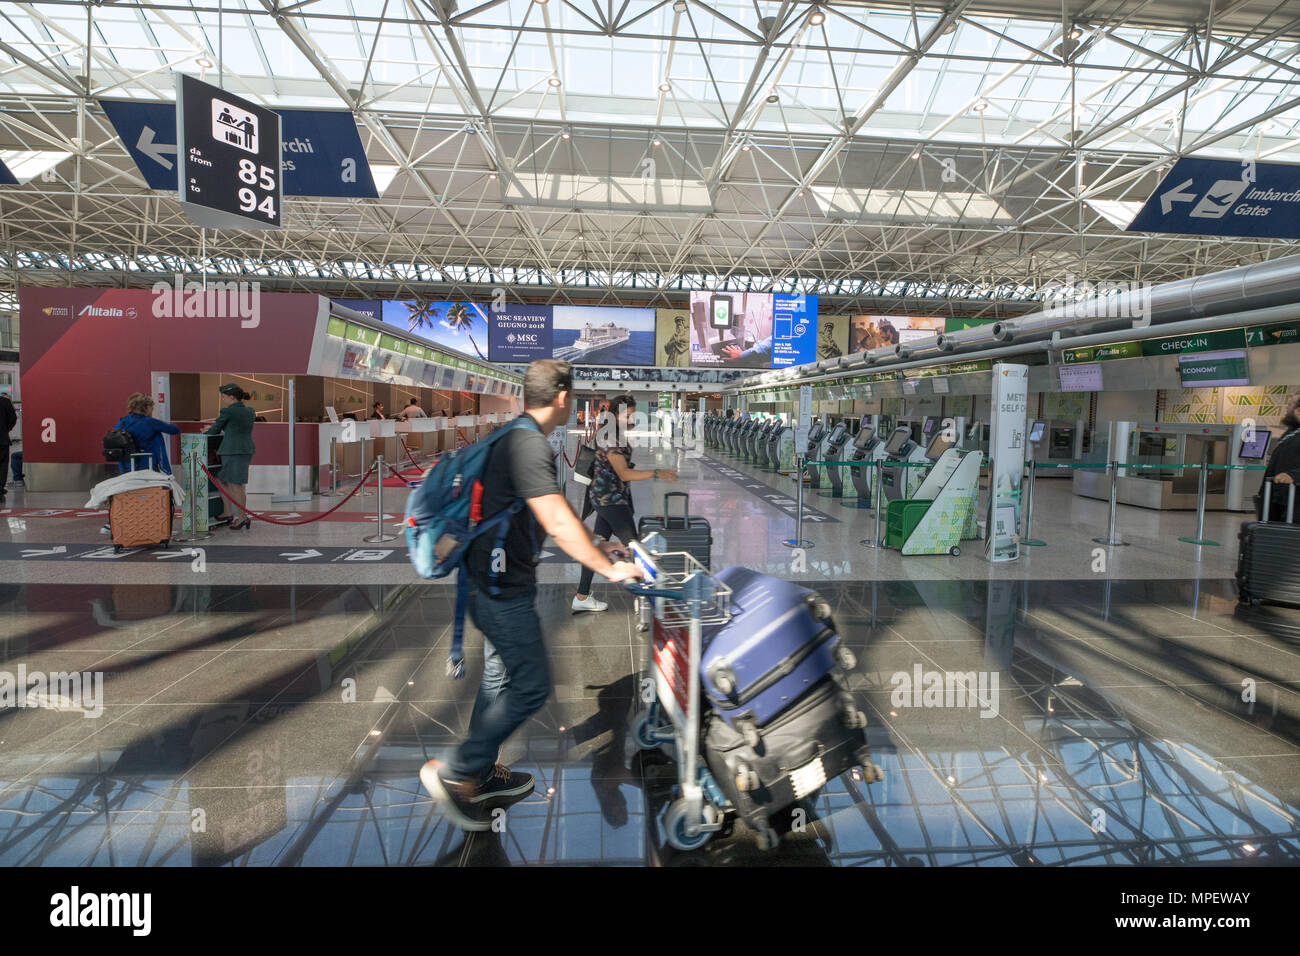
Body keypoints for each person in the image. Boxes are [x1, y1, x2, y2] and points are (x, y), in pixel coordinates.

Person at [420, 359, 644, 830]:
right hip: (503, 592)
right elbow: (559, 522)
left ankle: (479, 773)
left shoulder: (516, 436)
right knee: (531, 686)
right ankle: (459, 769)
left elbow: (538, 516)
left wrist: (600, 542)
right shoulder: (527, 445)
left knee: (500, 677)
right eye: (574, 398)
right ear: (562, 398)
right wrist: (607, 567)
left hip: (488, 583)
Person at [572, 394, 676, 612]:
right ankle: (649, 600)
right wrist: (657, 472)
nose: (632, 419)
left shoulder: (616, 433)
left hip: (608, 497)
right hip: (610, 499)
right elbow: (623, 473)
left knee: (598, 547)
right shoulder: (611, 435)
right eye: (629, 414)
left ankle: (582, 597)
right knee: (635, 546)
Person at [205, 384, 256, 530]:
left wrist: (203, 433)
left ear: (231, 397)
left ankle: (242, 517)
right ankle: (228, 512)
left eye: (224, 397)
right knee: (222, 480)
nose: (223, 399)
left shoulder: (228, 411)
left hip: (233, 451)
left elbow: (215, 430)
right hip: (245, 449)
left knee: (235, 485)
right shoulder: (250, 411)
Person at [1258, 396, 1300, 520]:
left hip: (1295, 502)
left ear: (1298, 411)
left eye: (1290, 405)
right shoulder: (1292, 433)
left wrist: (1293, 476)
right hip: (1278, 497)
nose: (1286, 408)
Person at [0, 391, 15, 502]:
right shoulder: (5, 402)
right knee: (2, 465)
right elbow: (13, 419)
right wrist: (5, 430)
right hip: (2, 440)